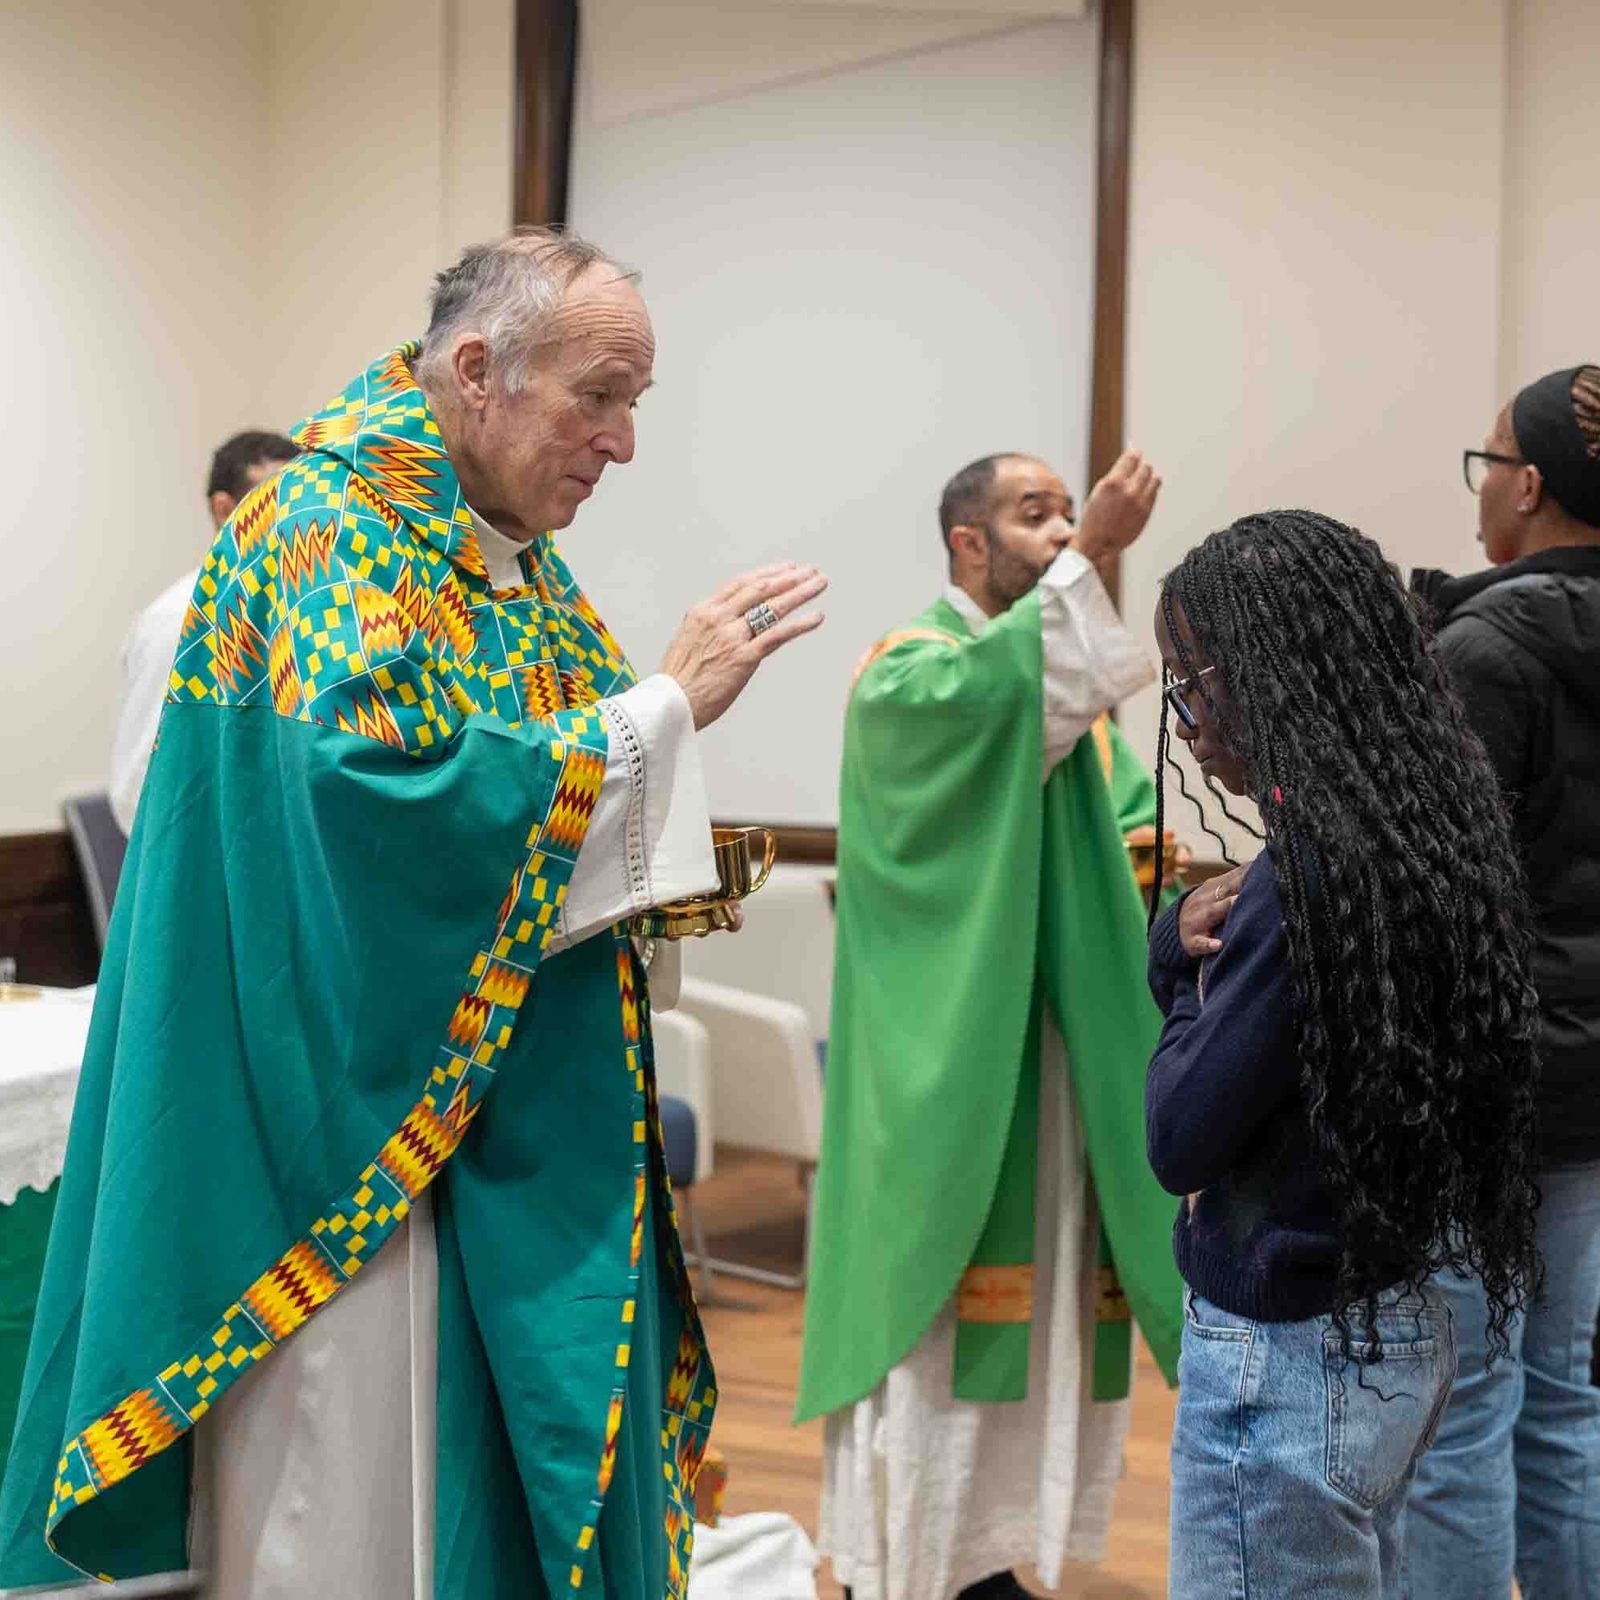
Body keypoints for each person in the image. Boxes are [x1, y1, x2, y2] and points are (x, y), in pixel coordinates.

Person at [0, 228, 827, 1599]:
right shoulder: (333, 528)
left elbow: (552, 789)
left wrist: (682, 844)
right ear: (476, 367)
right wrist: (662, 705)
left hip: (502, 1124)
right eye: (599, 398)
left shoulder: (506, 554)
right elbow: (379, 809)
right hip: (355, 1139)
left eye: (636, 404)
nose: (621, 444)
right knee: (368, 1515)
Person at [798, 449, 1186, 1600]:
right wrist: (1099, 551)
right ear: (967, 543)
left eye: (1069, 510)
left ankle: (994, 1546)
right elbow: (998, 704)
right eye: (1036, 515)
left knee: (1050, 1298)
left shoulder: (1061, 708)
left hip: (1056, 1053)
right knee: (944, 1300)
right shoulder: (908, 676)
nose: (1062, 527)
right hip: (956, 1059)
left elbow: (1120, 827)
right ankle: (915, 1553)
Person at [1146, 509, 1542, 1599]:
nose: (1182, 721)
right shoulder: (1428, 829)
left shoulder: (1303, 881)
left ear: (1266, 673)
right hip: (1393, 1315)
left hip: (1285, 1359)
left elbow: (1181, 1138)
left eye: (1192, 681)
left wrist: (1180, 975)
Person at [1404, 367, 1600, 1597]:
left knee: (1456, 1410)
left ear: (1526, 484)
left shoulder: (1483, 646)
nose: (1481, 486)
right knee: (1566, 1392)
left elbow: (1437, 889)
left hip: (1486, 1073)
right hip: (1592, 1074)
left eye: (1487, 462)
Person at [109, 429, 299, 833]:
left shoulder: (300, 609)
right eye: (276, 501)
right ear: (223, 509)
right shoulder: (179, 618)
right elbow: (138, 783)